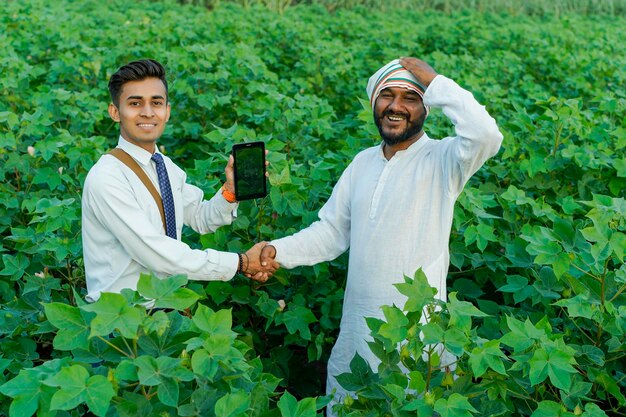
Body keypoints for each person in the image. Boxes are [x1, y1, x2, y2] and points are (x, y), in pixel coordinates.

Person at [260, 57, 503, 412]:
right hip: (357, 333)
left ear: (426, 106)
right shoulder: (361, 163)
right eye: (387, 95)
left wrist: (435, 81)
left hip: (417, 338)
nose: (396, 106)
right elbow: (330, 233)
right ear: (374, 102)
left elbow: (486, 134)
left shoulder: (444, 160)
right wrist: (274, 251)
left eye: (410, 98)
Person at [82, 59, 276, 303]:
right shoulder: (107, 178)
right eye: (134, 103)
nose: (148, 112)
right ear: (114, 112)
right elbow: (157, 253)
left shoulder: (164, 165)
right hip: (123, 322)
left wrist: (230, 191)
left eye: (156, 102)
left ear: (167, 111)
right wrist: (240, 262)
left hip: (166, 306)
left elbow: (201, 218)